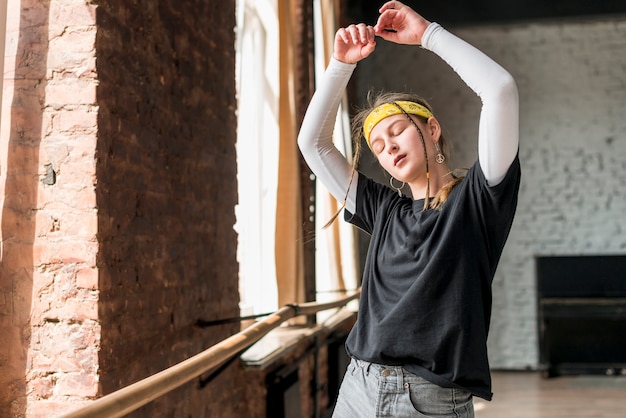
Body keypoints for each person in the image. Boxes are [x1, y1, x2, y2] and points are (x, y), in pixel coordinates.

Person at [297, 1, 520, 417]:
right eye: (378, 146)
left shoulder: (477, 199)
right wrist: (338, 65)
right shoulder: (383, 209)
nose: (389, 146)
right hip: (358, 389)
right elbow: (312, 143)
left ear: (431, 128)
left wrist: (428, 35)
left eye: (398, 130)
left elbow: (500, 90)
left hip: (429, 401)